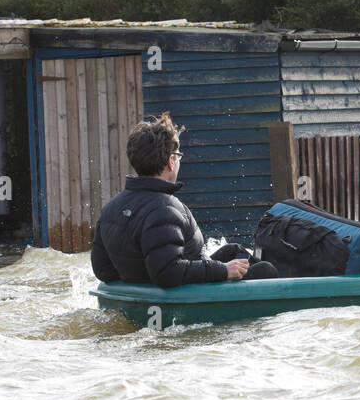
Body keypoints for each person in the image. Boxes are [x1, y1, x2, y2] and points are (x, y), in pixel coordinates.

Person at [91, 113, 276, 287]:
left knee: (233, 250)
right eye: (178, 156)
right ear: (171, 161)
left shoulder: (111, 207)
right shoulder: (164, 209)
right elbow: (167, 272)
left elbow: (102, 270)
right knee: (266, 271)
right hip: (189, 297)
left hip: (166, 285)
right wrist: (224, 270)